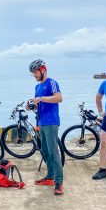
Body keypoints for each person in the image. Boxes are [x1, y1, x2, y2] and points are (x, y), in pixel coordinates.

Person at [27, 59, 64, 195]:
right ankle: (50, 177)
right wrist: (32, 106)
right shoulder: (37, 87)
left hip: (51, 122)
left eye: (35, 72)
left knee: (53, 152)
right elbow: (38, 103)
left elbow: (59, 98)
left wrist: (41, 98)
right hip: (41, 123)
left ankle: (59, 182)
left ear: (43, 70)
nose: (34, 75)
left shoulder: (52, 83)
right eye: (33, 73)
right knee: (45, 151)